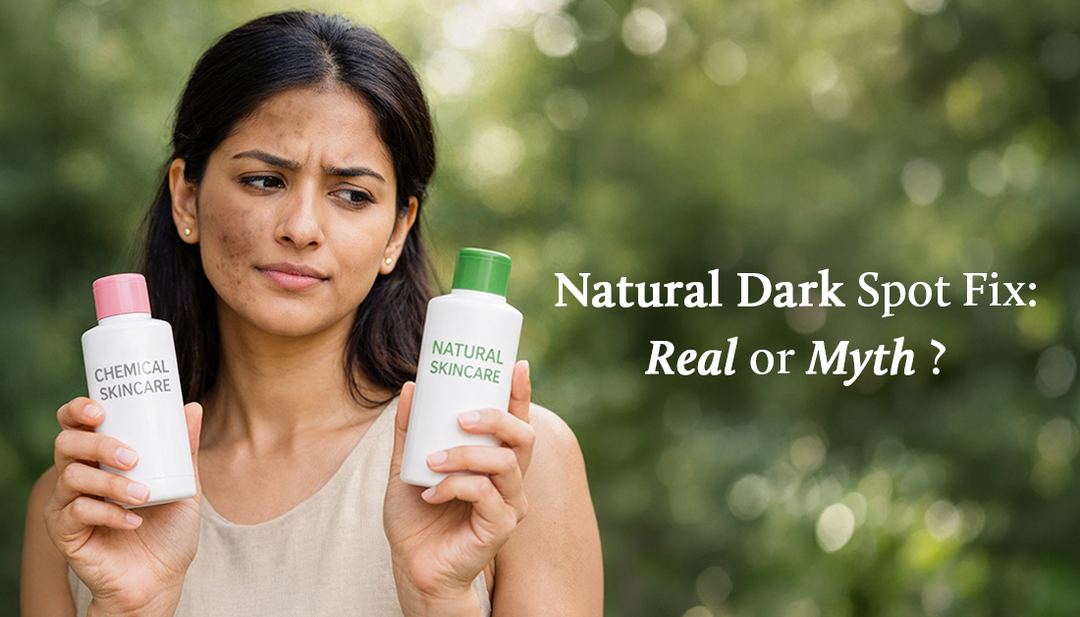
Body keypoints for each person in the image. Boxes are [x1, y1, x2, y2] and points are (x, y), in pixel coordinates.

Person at [21, 11, 603, 617]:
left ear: (397, 232)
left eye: (352, 195)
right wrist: (128, 608)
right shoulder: (82, 506)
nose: (301, 228)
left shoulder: (505, 469)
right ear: (186, 197)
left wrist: (440, 598)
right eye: (264, 180)